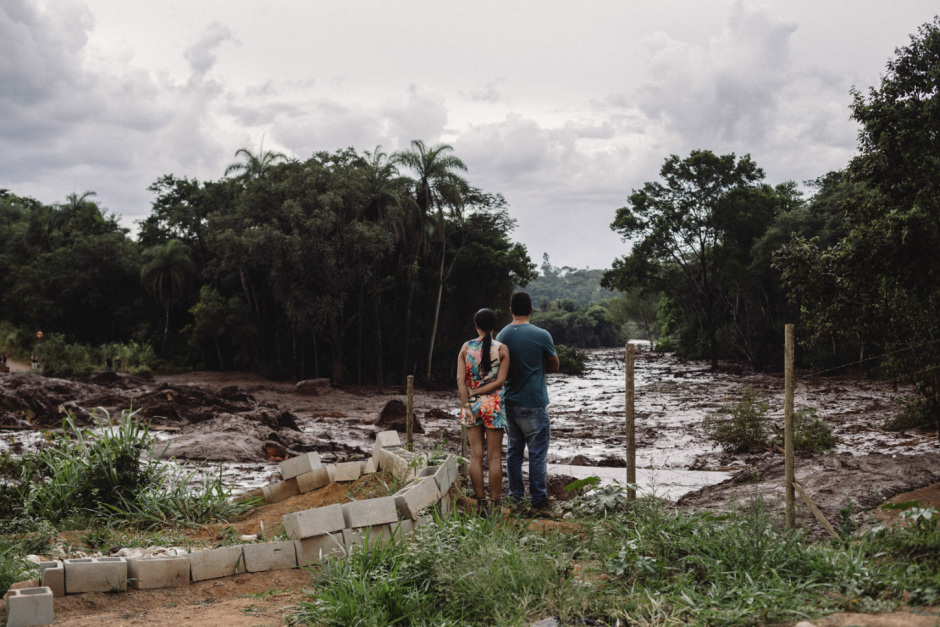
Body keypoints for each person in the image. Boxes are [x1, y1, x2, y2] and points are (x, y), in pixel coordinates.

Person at [496, 291, 559, 517]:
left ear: (511, 310)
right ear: (531, 309)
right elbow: (555, 364)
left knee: (514, 452)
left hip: (510, 401)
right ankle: (539, 500)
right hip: (534, 402)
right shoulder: (542, 335)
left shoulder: (501, 335)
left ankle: (515, 497)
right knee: (537, 454)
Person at [456, 308, 510, 517]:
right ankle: (496, 504)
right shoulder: (502, 349)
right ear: (494, 326)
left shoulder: (465, 348)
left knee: (475, 456)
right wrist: (482, 391)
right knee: (495, 457)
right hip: (494, 404)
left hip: (472, 405)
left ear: (476, 325)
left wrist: (467, 405)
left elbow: (461, 381)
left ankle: (480, 504)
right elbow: (501, 381)